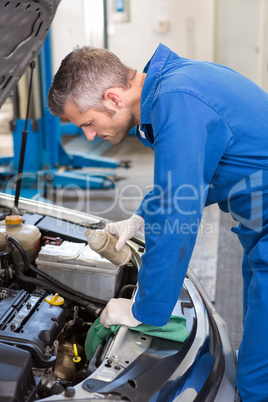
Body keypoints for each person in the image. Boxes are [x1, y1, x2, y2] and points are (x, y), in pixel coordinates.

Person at [48, 43, 268, 401]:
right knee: (258, 350)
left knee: (259, 380)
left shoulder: (179, 103)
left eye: (88, 123)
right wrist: (139, 217)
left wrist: (144, 310)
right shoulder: (174, 86)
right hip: (258, 228)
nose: (88, 136)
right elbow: (196, 177)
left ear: (113, 98)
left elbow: (176, 219)